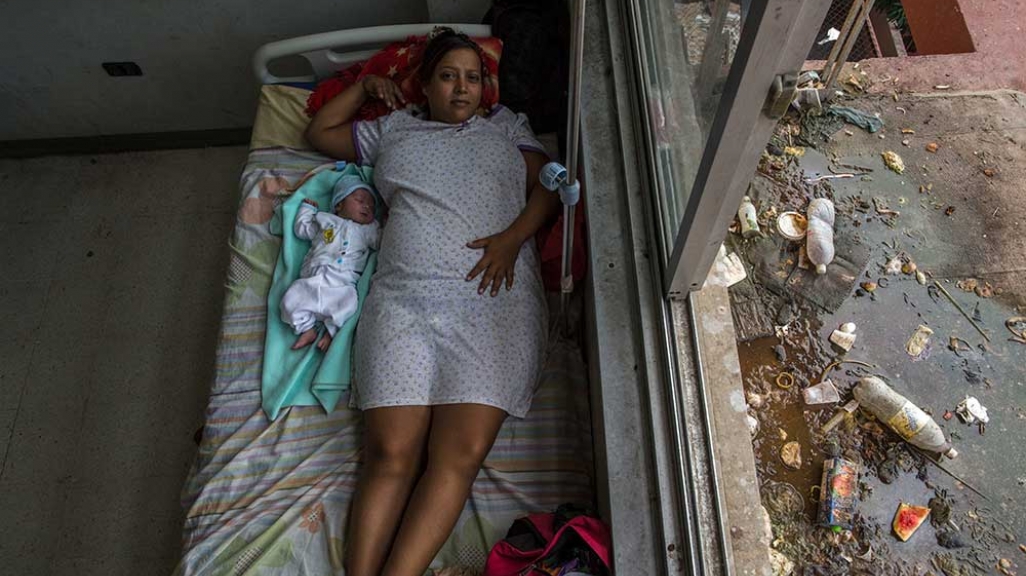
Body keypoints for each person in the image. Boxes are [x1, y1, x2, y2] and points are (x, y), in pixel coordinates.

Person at [305, 27, 560, 576]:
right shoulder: (392, 130)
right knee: (391, 457)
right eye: (448, 76)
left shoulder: (508, 129)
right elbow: (320, 132)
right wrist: (367, 87)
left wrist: (514, 238)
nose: (461, 88)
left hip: (492, 301)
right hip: (405, 301)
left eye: (472, 77)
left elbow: (551, 187)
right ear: (424, 85)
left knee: (454, 459)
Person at [280, 175, 379, 351]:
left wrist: (388, 223)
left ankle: (331, 331)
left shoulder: (368, 230)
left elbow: (380, 242)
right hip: (314, 277)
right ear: (339, 204)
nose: (367, 206)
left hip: (343, 281)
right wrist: (307, 209)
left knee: (350, 303)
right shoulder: (325, 220)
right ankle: (307, 329)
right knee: (291, 299)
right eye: (359, 200)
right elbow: (302, 229)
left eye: (371, 206)